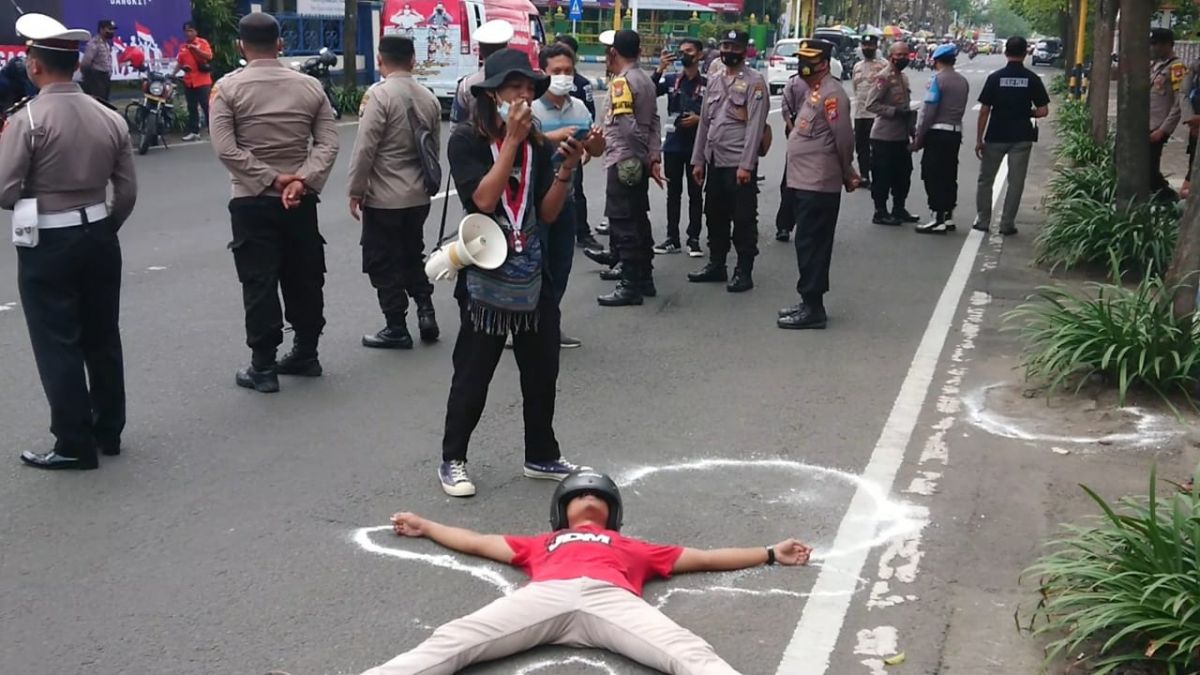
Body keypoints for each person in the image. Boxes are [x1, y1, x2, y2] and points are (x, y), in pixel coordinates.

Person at [362, 470, 813, 674]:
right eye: (578, 496)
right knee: (455, 638)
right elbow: (478, 542)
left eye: (597, 497)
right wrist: (427, 526)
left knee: (687, 650)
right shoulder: (542, 542)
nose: (588, 499)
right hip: (545, 595)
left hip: (609, 600)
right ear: (561, 512)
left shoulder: (633, 547)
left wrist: (769, 553)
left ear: (614, 514)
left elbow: (706, 557)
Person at [439, 48, 588, 497]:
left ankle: (541, 453)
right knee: (474, 372)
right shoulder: (466, 140)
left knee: (542, 371)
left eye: (528, 88)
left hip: (532, 271)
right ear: (492, 94)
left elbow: (546, 212)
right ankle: (453, 458)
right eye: (513, 88)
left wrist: (566, 169)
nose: (523, 96)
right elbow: (483, 200)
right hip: (486, 273)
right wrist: (510, 143)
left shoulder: (536, 144)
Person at [0, 14, 137, 470]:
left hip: (49, 240)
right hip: (99, 233)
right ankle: (109, 430)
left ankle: (74, 443)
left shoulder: (27, 118)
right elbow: (127, 191)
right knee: (103, 335)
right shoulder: (109, 116)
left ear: (34, 66)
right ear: (77, 65)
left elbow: (4, 190)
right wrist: (103, 225)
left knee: (57, 340)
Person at [209, 13, 340, 393]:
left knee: (259, 280)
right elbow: (328, 143)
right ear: (280, 44)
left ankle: (263, 367)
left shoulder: (227, 89)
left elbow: (226, 149)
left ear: (240, 46)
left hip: (251, 200)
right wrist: (301, 180)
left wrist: (269, 178)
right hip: (300, 200)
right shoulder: (310, 87)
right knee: (305, 275)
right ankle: (306, 352)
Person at [347, 35, 441, 350]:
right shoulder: (429, 98)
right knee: (412, 253)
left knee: (382, 261)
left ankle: (396, 326)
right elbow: (432, 150)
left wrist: (355, 190)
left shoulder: (379, 95)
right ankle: (426, 312)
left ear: (379, 60)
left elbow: (365, 148)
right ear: (413, 60)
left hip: (384, 198)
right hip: (418, 196)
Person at [778, 39, 858, 331]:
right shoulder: (815, 91)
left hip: (819, 183)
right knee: (806, 243)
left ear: (823, 63)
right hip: (804, 181)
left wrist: (847, 171)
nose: (802, 65)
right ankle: (808, 301)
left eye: (808, 60)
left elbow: (844, 139)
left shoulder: (832, 95)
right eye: (800, 59)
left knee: (813, 245)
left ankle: (814, 308)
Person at [531, 42, 605, 349]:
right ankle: (522, 324)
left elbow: (594, 150)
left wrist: (595, 142)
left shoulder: (579, 108)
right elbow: (517, 143)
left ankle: (549, 323)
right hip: (534, 202)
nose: (563, 76)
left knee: (561, 265)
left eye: (568, 71)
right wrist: (552, 137)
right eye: (556, 71)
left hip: (567, 198)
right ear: (543, 72)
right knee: (534, 266)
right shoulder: (530, 108)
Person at [690, 30, 769, 293]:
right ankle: (717, 264)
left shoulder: (755, 82)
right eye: (725, 46)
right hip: (715, 160)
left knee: (743, 219)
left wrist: (747, 165)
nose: (728, 51)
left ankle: (743, 271)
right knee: (714, 215)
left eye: (734, 47)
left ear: (744, 50)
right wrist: (698, 160)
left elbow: (755, 127)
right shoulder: (714, 80)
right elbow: (704, 122)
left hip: (738, 164)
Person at [596, 29, 662, 307]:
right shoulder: (645, 79)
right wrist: (653, 156)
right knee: (638, 219)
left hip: (624, 160)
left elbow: (627, 126)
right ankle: (645, 278)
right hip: (638, 161)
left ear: (613, 52)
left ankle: (630, 285)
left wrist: (644, 156)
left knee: (623, 223)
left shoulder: (621, 83)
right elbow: (654, 122)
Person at [973, 36, 1049, 236]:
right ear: (1026, 53)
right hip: (1021, 137)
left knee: (986, 180)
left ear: (1006, 52)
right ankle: (1006, 224)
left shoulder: (995, 78)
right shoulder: (1032, 79)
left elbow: (984, 111)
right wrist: (1026, 112)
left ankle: (983, 221)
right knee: (1016, 182)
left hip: (995, 136)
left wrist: (979, 139)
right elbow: (1043, 111)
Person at [651, 38, 706, 257]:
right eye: (681, 51)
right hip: (673, 145)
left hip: (696, 147)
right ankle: (672, 238)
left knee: (695, 193)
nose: (684, 55)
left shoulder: (708, 83)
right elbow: (649, 91)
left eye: (689, 51)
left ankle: (694, 239)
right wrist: (660, 69)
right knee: (673, 194)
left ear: (699, 55)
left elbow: (717, 113)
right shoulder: (671, 79)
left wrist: (699, 119)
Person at [912, 43, 969, 234]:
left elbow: (928, 111)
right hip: (955, 132)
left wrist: (919, 137)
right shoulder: (962, 81)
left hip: (937, 133)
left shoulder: (937, 80)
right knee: (949, 174)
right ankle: (948, 215)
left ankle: (937, 218)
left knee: (932, 174)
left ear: (936, 61)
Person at [553, 34, 603, 251]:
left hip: (573, 149)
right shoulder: (538, 91)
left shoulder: (581, 85)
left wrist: (588, 146)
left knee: (575, 192)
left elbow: (589, 118)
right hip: (547, 155)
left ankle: (582, 233)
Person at [865, 40, 917, 226]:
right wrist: (893, 112)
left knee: (903, 175)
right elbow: (871, 104)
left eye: (906, 54)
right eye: (899, 55)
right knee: (882, 176)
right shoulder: (883, 77)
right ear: (890, 57)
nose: (903, 58)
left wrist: (912, 130)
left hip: (901, 136)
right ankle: (880, 211)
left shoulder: (903, 78)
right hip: (884, 137)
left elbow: (906, 107)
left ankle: (899, 208)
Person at [449, 20, 512, 128]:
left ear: (480, 51)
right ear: (506, 49)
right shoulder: (518, 83)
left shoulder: (466, 85)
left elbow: (455, 126)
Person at [774, 70, 809, 243]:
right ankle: (786, 226)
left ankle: (794, 226)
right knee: (792, 182)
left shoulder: (829, 85)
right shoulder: (794, 82)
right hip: (801, 136)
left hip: (813, 138)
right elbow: (786, 109)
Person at [1150, 28, 1184, 202]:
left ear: (1166, 45)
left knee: (1150, 170)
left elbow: (1179, 104)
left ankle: (1170, 199)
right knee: (1146, 168)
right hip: (1147, 124)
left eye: (1155, 44)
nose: (1152, 47)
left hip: (1158, 127)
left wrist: (1163, 130)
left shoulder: (1176, 67)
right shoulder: (1156, 65)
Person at [851, 34, 885, 188]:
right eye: (865, 45)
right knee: (861, 147)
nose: (867, 48)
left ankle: (879, 177)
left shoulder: (884, 66)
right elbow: (855, 88)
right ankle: (864, 176)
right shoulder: (857, 66)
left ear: (876, 46)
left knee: (876, 149)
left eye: (870, 45)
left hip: (876, 114)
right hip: (860, 113)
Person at [177, 21, 214, 142]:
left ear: (195, 32)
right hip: (189, 81)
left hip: (202, 81)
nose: (188, 33)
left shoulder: (202, 43)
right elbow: (180, 62)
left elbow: (209, 56)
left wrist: (196, 50)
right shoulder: (183, 46)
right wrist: (173, 73)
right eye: (186, 31)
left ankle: (213, 131)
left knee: (206, 106)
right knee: (192, 107)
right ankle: (194, 132)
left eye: (190, 31)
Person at [1179, 57, 1200, 199]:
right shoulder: (1195, 65)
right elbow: (1183, 93)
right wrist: (1190, 118)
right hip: (1196, 131)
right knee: (1186, 192)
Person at [79, 19, 115, 101]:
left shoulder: (106, 44)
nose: (112, 32)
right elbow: (85, 63)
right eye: (109, 29)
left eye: (113, 29)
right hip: (96, 78)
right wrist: (90, 79)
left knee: (105, 102)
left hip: (105, 78)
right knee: (98, 102)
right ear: (101, 29)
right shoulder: (94, 43)